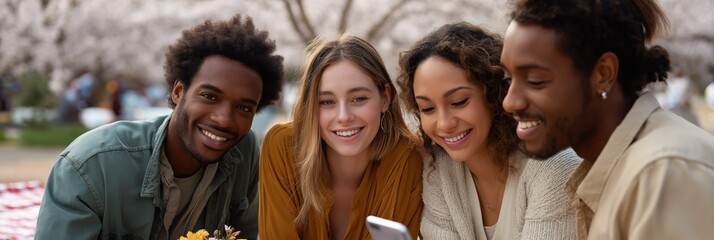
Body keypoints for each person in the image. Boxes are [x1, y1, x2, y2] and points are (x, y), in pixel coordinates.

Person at [35, 14, 283, 240]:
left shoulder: (244, 151)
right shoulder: (90, 168)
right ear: (178, 91)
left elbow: (247, 233)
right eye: (209, 96)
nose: (225, 119)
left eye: (244, 108)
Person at [501, 0, 714, 239]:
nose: (510, 103)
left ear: (604, 74)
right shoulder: (620, 167)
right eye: (508, 80)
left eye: (535, 80)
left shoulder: (664, 173)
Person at [397, 22, 581, 240]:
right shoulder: (439, 170)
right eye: (427, 109)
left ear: (495, 94)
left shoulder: (552, 167)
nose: (444, 124)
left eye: (459, 101)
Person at [259, 35, 423, 239]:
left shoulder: (407, 158)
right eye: (327, 102)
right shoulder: (282, 147)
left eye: (359, 99)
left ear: (385, 98)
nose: (344, 117)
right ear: (311, 106)